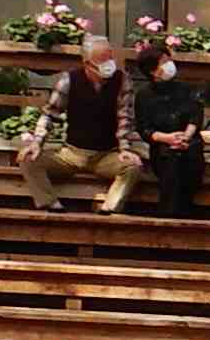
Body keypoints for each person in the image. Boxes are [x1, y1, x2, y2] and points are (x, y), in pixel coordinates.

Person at [30, 38, 144, 213]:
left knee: (133, 167)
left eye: (110, 58)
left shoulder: (122, 80)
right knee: (28, 159)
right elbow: (50, 114)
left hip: (107, 155)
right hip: (71, 153)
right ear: (87, 64)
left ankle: (109, 208)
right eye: (102, 60)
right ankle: (50, 203)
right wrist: (37, 142)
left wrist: (125, 149)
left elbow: (125, 118)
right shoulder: (69, 80)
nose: (108, 64)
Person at [131, 43, 210, 217]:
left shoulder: (185, 89)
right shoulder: (144, 96)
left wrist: (185, 137)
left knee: (189, 158)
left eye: (169, 60)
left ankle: (186, 212)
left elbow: (195, 116)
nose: (169, 65)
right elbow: (144, 129)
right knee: (170, 160)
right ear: (152, 71)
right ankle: (169, 214)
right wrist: (168, 138)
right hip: (162, 144)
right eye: (163, 62)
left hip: (189, 141)